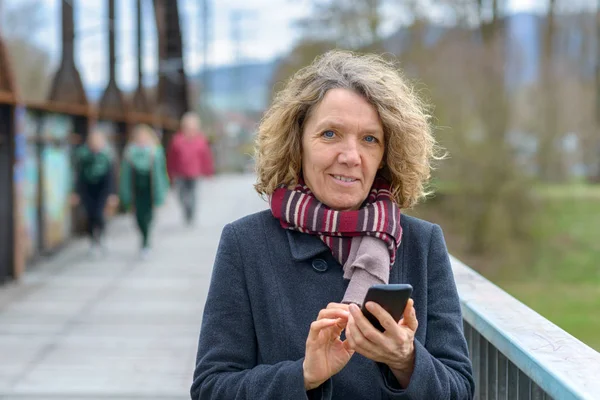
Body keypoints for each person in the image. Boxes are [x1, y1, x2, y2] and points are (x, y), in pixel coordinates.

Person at [191, 51, 474, 399]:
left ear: (387, 153)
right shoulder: (245, 243)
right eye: (330, 134)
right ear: (298, 144)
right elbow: (211, 388)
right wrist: (303, 376)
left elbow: (460, 389)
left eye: (370, 139)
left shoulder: (422, 242)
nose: (351, 156)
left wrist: (406, 360)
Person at [118, 124, 169, 259]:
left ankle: (146, 243)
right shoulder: (129, 154)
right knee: (138, 219)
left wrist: (163, 192)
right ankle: (144, 239)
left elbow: (161, 174)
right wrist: (124, 194)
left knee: (148, 218)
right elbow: (124, 176)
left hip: (150, 192)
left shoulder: (156, 153)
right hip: (136, 192)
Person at [71, 129, 118, 257]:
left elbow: (111, 177)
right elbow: (78, 176)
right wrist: (76, 193)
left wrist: (112, 194)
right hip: (87, 190)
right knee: (90, 216)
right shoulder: (82, 156)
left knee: (99, 215)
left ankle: (101, 237)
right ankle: (93, 241)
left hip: (102, 190)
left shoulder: (107, 156)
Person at [166, 112, 214, 225]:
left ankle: (191, 213)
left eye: (193, 127)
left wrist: (208, 171)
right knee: (182, 195)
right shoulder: (177, 140)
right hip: (180, 173)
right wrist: (170, 172)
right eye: (188, 127)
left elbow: (206, 157)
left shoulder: (201, 141)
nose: (191, 130)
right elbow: (171, 157)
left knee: (193, 195)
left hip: (194, 173)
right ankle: (186, 210)